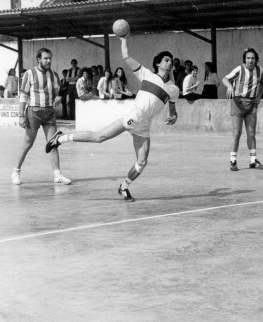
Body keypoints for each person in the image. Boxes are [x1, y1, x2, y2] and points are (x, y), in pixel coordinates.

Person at [45, 36, 179, 202]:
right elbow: (127, 57)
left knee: (142, 162)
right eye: (166, 60)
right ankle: (61, 138)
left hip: (145, 124)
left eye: (172, 61)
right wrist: (123, 39)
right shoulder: (147, 74)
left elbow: (173, 112)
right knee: (99, 137)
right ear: (158, 63)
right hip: (134, 116)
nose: (170, 63)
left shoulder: (174, 90)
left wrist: (173, 118)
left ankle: (123, 187)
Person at [11, 47, 71, 186]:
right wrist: (21, 116)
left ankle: (57, 175)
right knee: (27, 143)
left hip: (49, 112)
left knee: (53, 143)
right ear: (39, 59)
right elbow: (23, 95)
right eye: (46, 58)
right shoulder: (29, 73)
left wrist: (58, 99)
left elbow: (57, 94)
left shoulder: (53, 74)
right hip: (34, 112)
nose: (49, 60)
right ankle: (16, 172)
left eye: (50, 58)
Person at [222, 48, 263, 172]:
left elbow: (261, 84)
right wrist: (230, 87)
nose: (250, 60)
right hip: (238, 102)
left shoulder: (260, 70)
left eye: (252, 58)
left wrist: (259, 96)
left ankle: (253, 160)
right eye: (248, 58)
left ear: (256, 60)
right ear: (244, 59)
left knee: (251, 133)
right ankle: (233, 161)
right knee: (237, 133)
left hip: (251, 103)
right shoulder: (239, 69)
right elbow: (225, 79)